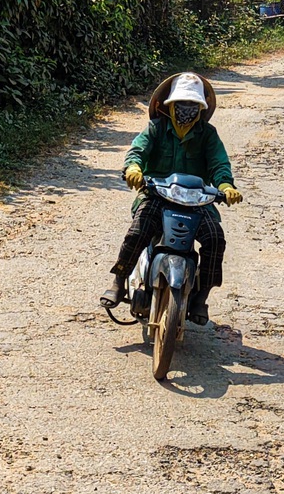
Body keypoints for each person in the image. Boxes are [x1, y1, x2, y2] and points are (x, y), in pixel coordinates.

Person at [101, 71, 243, 325]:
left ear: (201, 109)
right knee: (137, 232)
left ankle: (201, 298)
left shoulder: (208, 135)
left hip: (198, 200)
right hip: (157, 194)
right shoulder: (155, 129)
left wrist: (225, 185)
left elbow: (219, 164)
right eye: (181, 105)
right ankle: (119, 281)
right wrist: (133, 168)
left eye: (193, 106)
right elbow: (138, 151)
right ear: (169, 106)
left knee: (215, 240)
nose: (186, 111)